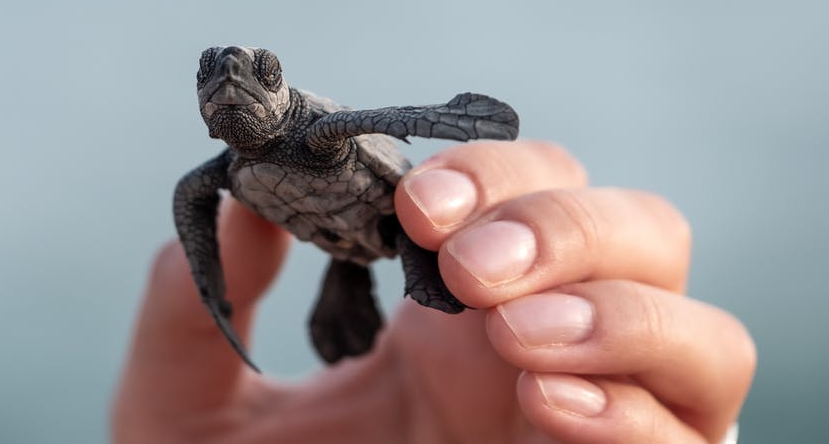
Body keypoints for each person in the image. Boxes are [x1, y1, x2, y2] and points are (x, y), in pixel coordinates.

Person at [112, 141, 755, 443]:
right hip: (344, 252)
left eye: (254, 73)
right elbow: (199, 239)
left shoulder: (316, 130)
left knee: (441, 230)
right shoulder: (213, 179)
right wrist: (212, 298)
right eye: (211, 76)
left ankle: (438, 267)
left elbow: (391, 126)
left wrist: (450, 122)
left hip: (392, 219)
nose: (229, 84)